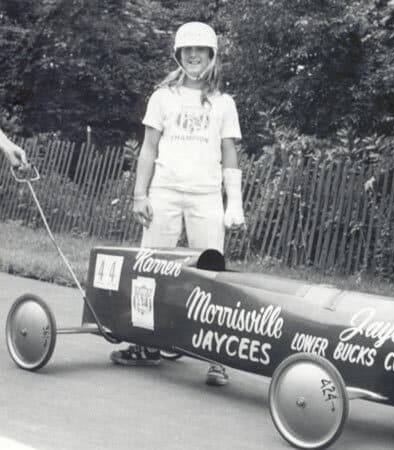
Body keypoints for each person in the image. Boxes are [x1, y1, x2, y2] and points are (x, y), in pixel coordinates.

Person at [110, 22, 245, 386]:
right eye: (187, 50)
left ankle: (216, 358)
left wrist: (234, 202)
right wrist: (140, 194)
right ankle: (146, 344)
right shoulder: (162, 97)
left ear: (212, 55)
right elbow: (149, 148)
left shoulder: (224, 103)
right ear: (178, 55)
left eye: (200, 50)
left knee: (212, 275)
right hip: (165, 192)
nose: (194, 56)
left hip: (205, 195)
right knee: (150, 268)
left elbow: (229, 152)